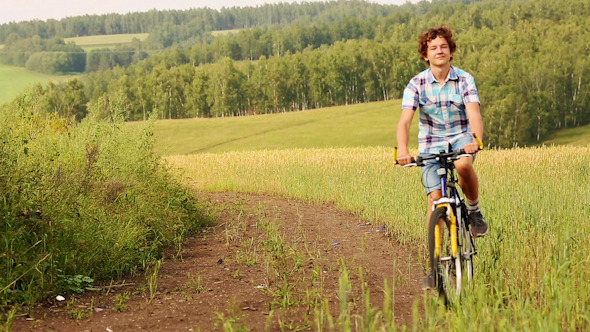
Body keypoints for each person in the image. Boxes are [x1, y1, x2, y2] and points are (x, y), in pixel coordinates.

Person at [395, 25, 488, 289]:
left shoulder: (465, 79)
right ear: (425, 54)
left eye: (443, 47)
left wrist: (475, 141)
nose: (439, 51)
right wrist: (403, 151)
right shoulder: (416, 83)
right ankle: (434, 267)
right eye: (433, 48)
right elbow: (405, 122)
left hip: (461, 139)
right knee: (435, 202)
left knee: (462, 166)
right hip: (430, 145)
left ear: (451, 52)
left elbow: (474, 114)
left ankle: (473, 210)